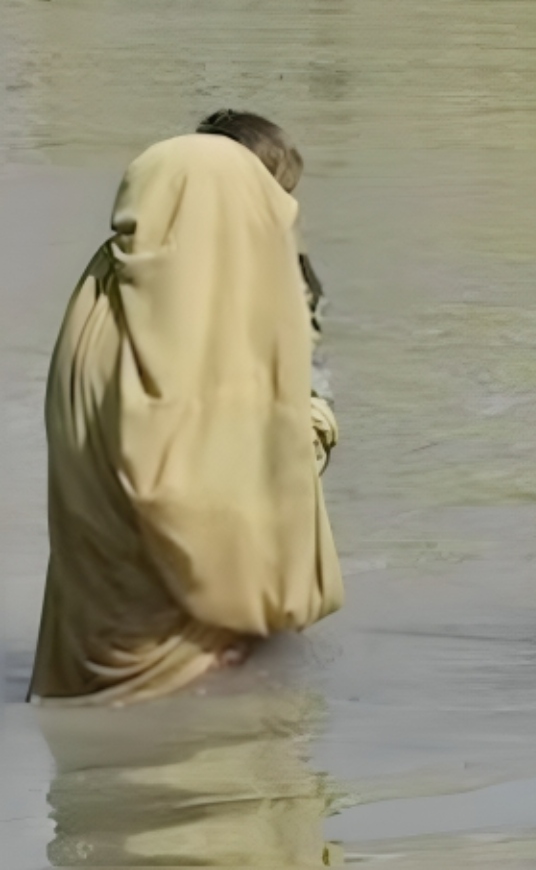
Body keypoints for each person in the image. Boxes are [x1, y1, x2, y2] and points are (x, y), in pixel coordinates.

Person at [30, 112, 343, 705]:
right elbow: (201, 480)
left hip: (93, 636)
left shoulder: (102, 294)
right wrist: (312, 423)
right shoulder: (227, 301)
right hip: (205, 648)